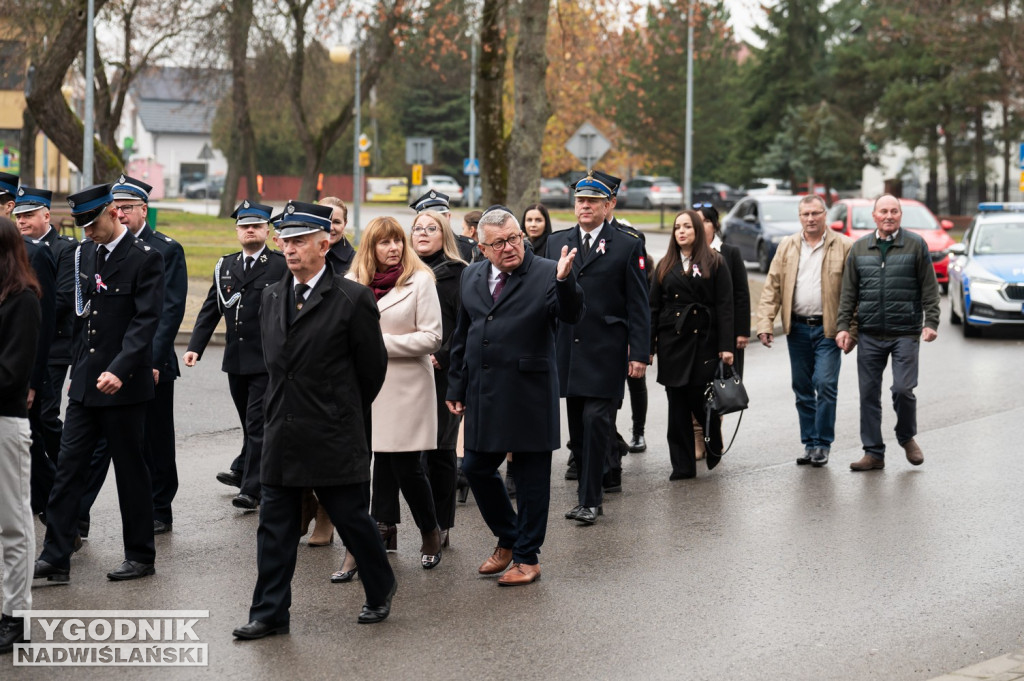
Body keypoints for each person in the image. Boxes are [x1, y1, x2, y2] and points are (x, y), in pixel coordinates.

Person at [233, 200, 395, 640]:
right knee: (274, 528)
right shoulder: (271, 296)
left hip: (332, 432)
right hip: (282, 430)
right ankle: (270, 612)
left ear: (325, 245)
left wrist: (340, 410)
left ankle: (380, 587)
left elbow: (372, 370)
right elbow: (274, 365)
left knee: (351, 519)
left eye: (300, 241)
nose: (289, 248)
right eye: (285, 240)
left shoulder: (352, 298)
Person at [34, 184, 164, 583]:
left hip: (124, 387)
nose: (88, 232)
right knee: (68, 469)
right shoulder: (84, 253)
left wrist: (120, 369)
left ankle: (140, 555)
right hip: (86, 384)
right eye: (82, 226)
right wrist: (78, 369)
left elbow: (145, 322)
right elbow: (82, 318)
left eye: (93, 224)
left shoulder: (145, 258)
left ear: (113, 212)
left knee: (130, 471)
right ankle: (56, 556)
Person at [446, 209, 583, 585]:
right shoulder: (472, 275)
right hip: (485, 391)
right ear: (482, 248)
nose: (509, 247)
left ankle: (527, 558)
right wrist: (456, 385)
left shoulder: (547, 272)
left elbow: (571, 313)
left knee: (530, 478)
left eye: (514, 238)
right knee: (475, 467)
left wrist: (565, 281)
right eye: (499, 243)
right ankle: (509, 537)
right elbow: (463, 334)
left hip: (529, 392)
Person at [77, 175, 187, 537]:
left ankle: (160, 508)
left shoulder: (164, 250)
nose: (121, 213)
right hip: (108, 366)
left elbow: (167, 312)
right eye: (117, 207)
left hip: (150, 363)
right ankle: (78, 515)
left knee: (155, 441)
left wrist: (153, 361)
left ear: (144, 209)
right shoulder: (98, 248)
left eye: (128, 207)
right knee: (99, 447)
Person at [544, 171, 649, 524]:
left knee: (596, 422)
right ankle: (587, 497)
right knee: (577, 431)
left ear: (609, 205)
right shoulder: (557, 242)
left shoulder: (627, 244)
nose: (584, 206)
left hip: (606, 350)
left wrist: (639, 353)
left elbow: (638, 304)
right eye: (580, 200)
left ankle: (591, 500)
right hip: (569, 349)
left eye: (592, 201)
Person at [347, 216, 444, 568]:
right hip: (365, 387)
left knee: (406, 466)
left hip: (406, 387)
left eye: (398, 240)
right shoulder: (351, 281)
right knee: (371, 464)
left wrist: (378, 343)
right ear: (370, 247)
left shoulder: (421, 280)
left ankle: (430, 529)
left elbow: (432, 337)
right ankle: (373, 535)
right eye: (384, 242)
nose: (394, 248)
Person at [184, 201, 286, 509]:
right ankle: (248, 468)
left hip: (267, 359)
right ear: (237, 231)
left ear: (267, 230)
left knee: (257, 423)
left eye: (256, 226)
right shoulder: (226, 266)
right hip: (236, 359)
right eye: (244, 226)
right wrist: (195, 346)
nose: (250, 230)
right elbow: (211, 308)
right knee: (248, 421)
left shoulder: (280, 265)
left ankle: (252, 489)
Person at [835, 194, 940, 471]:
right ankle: (873, 453)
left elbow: (930, 288)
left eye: (894, 211)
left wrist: (931, 322)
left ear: (900, 215)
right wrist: (843, 327)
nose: (889, 216)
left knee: (903, 389)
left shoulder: (915, 244)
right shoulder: (859, 248)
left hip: (905, 332)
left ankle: (906, 437)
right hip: (869, 333)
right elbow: (848, 294)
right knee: (868, 395)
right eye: (883, 211)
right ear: (875, 216)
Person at [756, 195, 854, 467]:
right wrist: (765, 323)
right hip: (797, 328)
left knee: (825, 384)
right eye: (805, 214)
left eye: (815, 213)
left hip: (829, 330)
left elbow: (854, 292)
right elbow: (772, 287)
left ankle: (822, 443)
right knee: (802, 388)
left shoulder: (844, 246)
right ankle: (810, 443)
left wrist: (850, 329)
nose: (810, 219)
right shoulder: (787, 245)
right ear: (799, 217)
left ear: (825, 215)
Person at [651, 210, 734, 480]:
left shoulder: (715, 262)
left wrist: (726, 346)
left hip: (704, 342)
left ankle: (713, 441)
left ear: (697, 231)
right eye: (677, 227)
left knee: (702, 401)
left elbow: (725, 306)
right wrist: (648, 347)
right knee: (676, 408)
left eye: (687, 226)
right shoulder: (665, 264)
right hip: (672, 342)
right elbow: (653, 307)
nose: (681, 231)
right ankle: (682, 466)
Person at [14, 187, 78, 512]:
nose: (22, 222)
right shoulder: (17, 249)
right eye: (19, 216)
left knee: (46, 418)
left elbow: (62, 299)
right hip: (26, 345)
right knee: (33, 423)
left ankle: (68, 477)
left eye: (28, 215)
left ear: (46, 215)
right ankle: (47, 491)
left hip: (54, 345)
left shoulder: (64, 248)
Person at [0, 217, 42, 654]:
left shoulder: (23, 300)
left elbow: (12, 374)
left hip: (5, 424)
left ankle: (17, 616)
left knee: (13, 523)